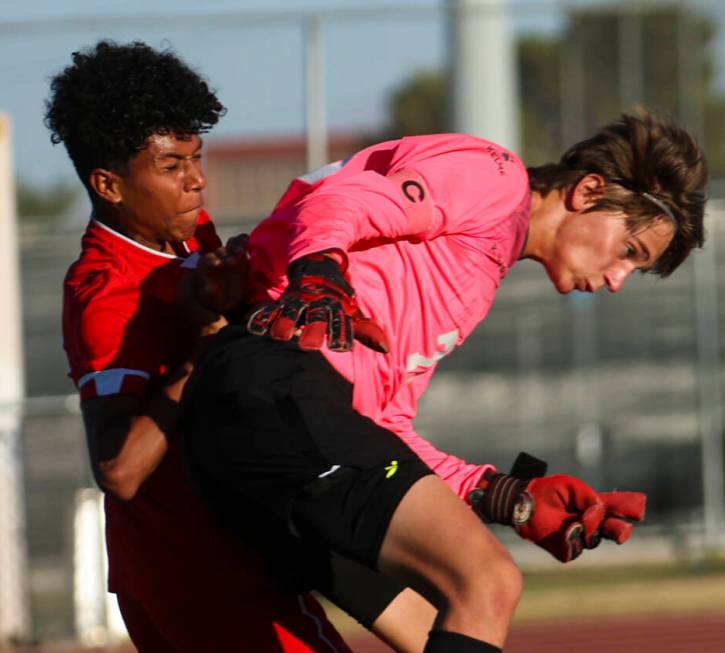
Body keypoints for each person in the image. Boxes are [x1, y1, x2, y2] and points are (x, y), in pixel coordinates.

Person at [180, 109, 707, 653]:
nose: (619, 279)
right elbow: (339, 202)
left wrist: (501, 494)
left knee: (426, 620)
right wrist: (320, 277)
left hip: (274, 419)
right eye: (629, 251)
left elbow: (380, 427)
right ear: (589, 190)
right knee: (486, 583)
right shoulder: (495, 178)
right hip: (273, 389)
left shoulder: (474, 267)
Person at [47, 39, 436, 653]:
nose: (197, 181)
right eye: (172, 167)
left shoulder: (183, 234)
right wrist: (205, 346)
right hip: (195, 567)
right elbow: (120, 470)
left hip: (231, 539)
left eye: (197, 158)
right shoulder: (106, 293)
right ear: (109, 185)